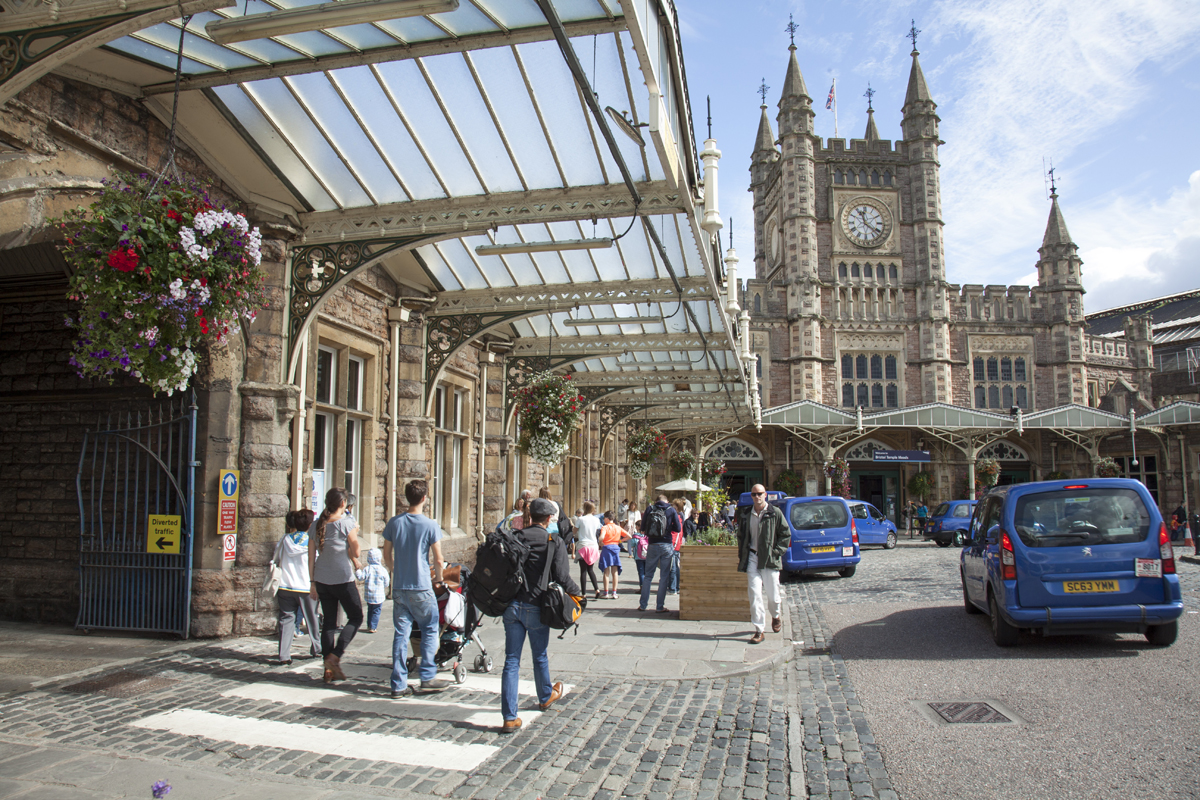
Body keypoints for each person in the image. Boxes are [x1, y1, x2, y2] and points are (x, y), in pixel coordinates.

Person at [499, 497, 582, 734]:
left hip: (512, 606)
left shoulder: (515, 537)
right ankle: (545, 695)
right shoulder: (552, 541)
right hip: (537, 605)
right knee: (540, 656)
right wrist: (579, 596)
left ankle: (509, 717)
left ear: (529, 517)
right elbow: (563, 577)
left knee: (511, 661)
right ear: (548, 519)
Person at [382, 479, 451, 697]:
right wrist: (439, 580)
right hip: (421, 585)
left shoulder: (394, 522)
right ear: (424, 498)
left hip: (400, 586)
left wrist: (396, 570)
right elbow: (439, 559)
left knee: (401, 633)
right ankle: (427, 676)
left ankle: (398, 684)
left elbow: (386, 555)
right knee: (430, 628)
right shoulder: (430, 525)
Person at [308, 487, 363, 683]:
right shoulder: (346, 523)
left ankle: (327, 669)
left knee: (329, 623)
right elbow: (356, 552)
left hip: (322, 578)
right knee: (356, 617)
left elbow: (310, 557)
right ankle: (335, 655)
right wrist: (354, 532)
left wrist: (312, 582)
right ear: (342, 504)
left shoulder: (316, 524)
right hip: (341, 577)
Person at [736, 484, 789, 644]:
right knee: (755, 594)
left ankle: (776, 615)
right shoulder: (746, 514)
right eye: (754, 494)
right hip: (752, 557)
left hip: (769, 559)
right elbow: (741, 536)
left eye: (759, 493)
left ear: (765, 495)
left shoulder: (775, 513)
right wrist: (742, 554)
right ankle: (759, 629)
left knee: (773, 596)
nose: (756, 496)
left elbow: (785, 534)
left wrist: (776, 552)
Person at [274, 509, 321, 665]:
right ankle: (316, 648)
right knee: (312, 618)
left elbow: (276, 558)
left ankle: (284, 655)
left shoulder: (285, 539)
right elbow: (317, 562)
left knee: (286, 620)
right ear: (309, 524)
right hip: (306, 586)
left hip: (285, 585)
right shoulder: (312, 541)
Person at [639, 494, 680, 613]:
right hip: (667, 544)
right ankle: (659, 606)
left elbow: (642, 527)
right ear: (666, 501)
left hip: (652, 544)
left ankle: (643, 605)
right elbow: (677, 528)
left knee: (648, 576)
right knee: (664, 577)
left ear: (656, 501)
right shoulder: (671, 510)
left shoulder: (650, 509)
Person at [355, 548, 390, 634]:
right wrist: (384, 586)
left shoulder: (367, 569)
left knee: (370, 610)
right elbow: (386, 581)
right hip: (379, 596)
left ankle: (369, 625)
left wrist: (357, 570)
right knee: (376, 611)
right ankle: (373, 627)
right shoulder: (382, 570)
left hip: (369, 595)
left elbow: (361, 577)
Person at [598, 511, 631, 599]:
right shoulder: (618, 527)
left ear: (607, 518)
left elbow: (601, 536)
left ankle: (606, 593)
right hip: (615, 548)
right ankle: (614, 592)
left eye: (604, 518)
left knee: (606, 572)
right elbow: (629, 536)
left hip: (606, 548)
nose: (604, 520)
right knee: (615, 571)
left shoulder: (604, 527)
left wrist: (600, 541)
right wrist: (620, 541)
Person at [574, 500, 602, 600]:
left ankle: (584, 593)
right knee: (590, 569)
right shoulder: (596, 520)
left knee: (583, 571)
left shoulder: (580, 519)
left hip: (583, 545)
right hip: (593, 546)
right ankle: (597, 589)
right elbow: (597, 530)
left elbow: (574, 531)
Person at [668, 499, 687, 594]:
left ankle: (672, 588)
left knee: (673, 567)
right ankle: (677, 587)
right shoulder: (680, 516)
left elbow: (676, 532)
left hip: (673, 544)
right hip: (677, 543)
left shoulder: (677, 517)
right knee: (675, 566)